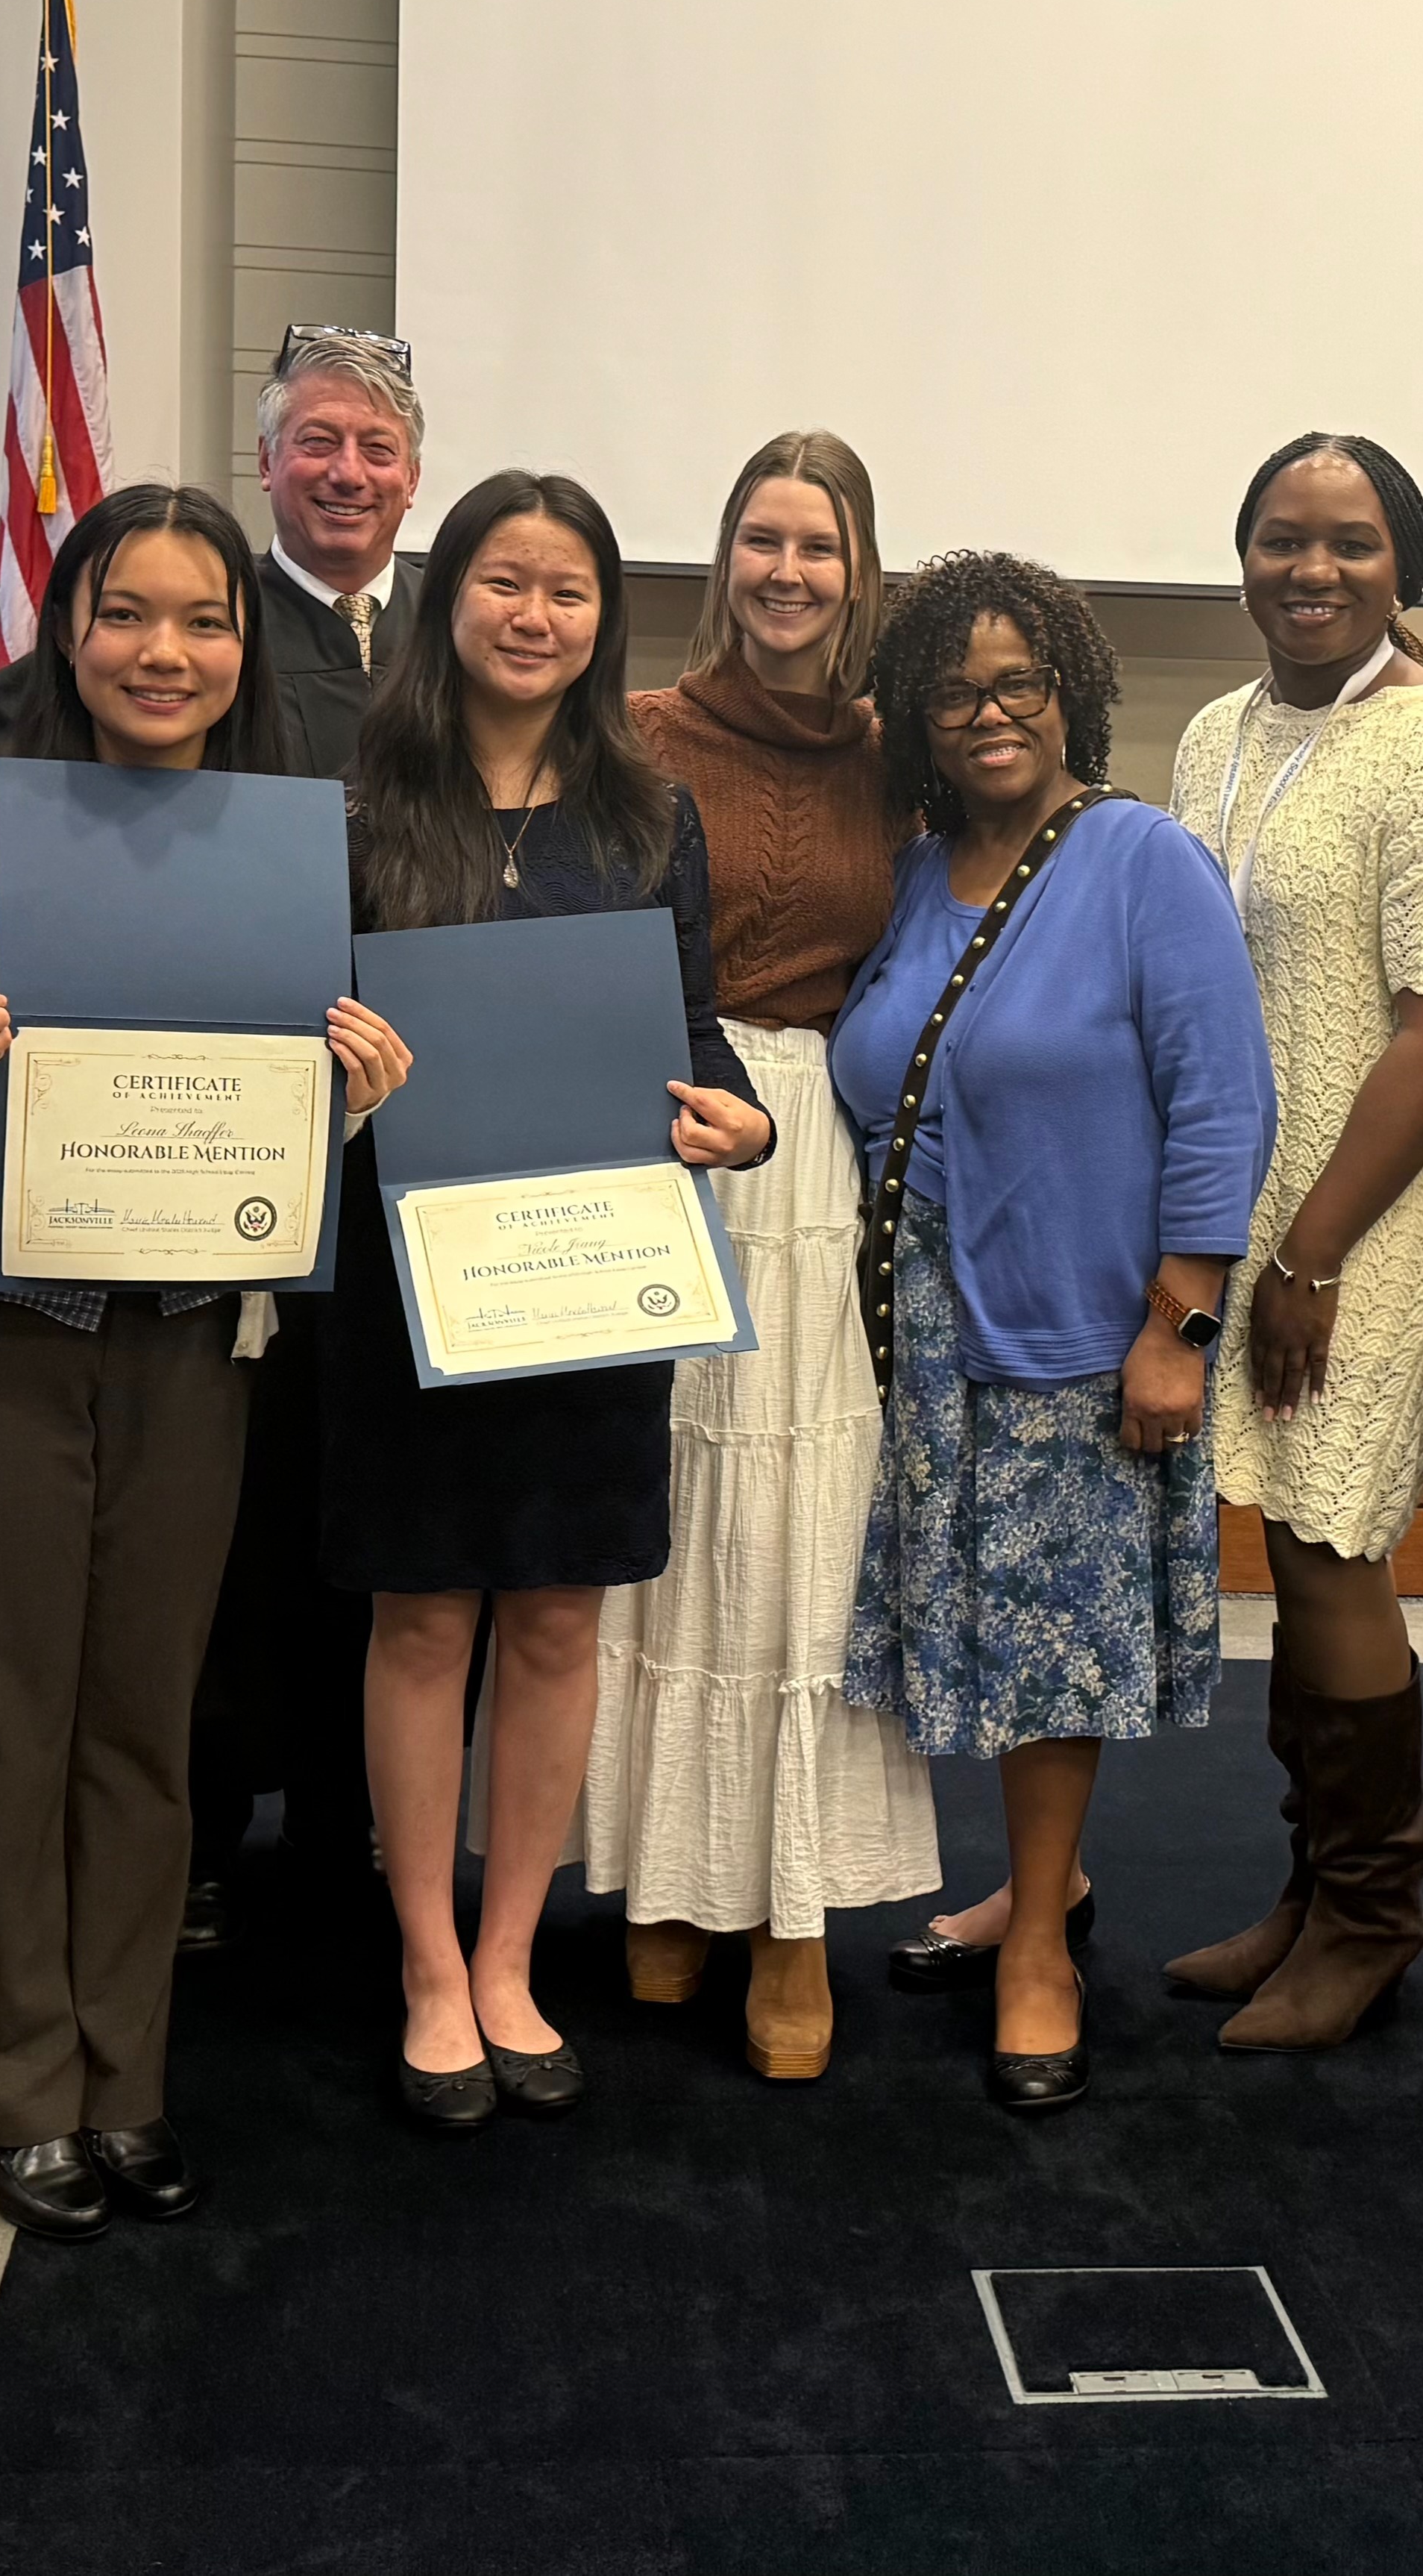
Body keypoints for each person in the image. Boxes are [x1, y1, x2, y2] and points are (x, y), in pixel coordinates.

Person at [0, 483, 409, 2237]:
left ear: (244, 648)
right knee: (8, 1717)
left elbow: (243, 1143)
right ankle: (10, 2085)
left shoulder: (277, 850)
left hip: (188, 1346)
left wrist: (343, 1105)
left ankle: (123, 2070)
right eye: (127, 612)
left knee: (145, 1725)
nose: (165, 651)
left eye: (204, 619)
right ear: (66, 629)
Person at [326, 471, 775, 2131]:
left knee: (561, 1614)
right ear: (448, 600)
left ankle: (512, 1953)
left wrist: (742, 1116)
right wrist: (338, 1078)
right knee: (425, 1611)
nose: (533, 613)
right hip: (406, 1279)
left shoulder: (648, 815)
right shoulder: (362, 801)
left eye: (567, 589)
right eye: (504, 580)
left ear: (603, 620)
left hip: (589, 1271)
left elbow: (694, 1025)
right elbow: (291, 1029)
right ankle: (426, 1964)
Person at [833, 556, 1273, 2111]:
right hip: (913, 1318)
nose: (991, 711)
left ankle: (1038, 1946)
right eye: (958, 689)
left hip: (1080, 1318)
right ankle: (1040, 1883)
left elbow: (1224, 1100)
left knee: (1042, 1642)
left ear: (1068, 689)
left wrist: (1182, 1321)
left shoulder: (1142, 858)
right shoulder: (908, 871)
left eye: (1019, 682)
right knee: (959, 1617)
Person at [578, 434, 937, 2083]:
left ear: (856, 570)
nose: (787, 570)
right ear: (721, 555)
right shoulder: (635, 733)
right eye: (759, 538)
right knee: (662, 1508)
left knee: (798, 1517)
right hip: (654, 1115)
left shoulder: (896, 752)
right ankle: (672, 1873)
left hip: (814, 1156)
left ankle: (785, 1910)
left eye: (818, 544)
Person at [1162, 436, 1423, 2050]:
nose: (1311, 570)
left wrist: (1309, 1254)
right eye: (1280, 539)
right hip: (1259, 1176)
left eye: (1350, 544)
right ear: (1239, 556)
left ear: (1405, 566)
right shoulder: (1210, 732)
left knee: (1328, 1529)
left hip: (1385, 1183)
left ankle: (1372, 1918)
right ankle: (1311, 1890)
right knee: (1285, 1531)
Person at [184, 325, 430, 1949]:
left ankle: (354, 1820)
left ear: (415, 475)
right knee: (234, 1498)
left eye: (378, 449)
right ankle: (203, 1826)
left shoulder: (443, 642)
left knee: (374, 1492)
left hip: (407, 1136)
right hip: (228, 1147)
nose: (346, 472)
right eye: (317, 442)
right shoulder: (210, 635)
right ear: (264, 461)